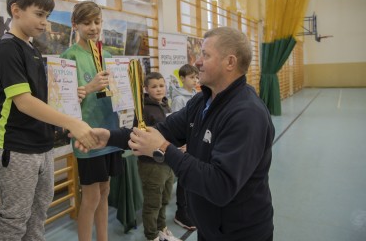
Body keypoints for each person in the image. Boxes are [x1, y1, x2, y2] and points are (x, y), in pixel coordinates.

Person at [85, 27, 275, 241]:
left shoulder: (246, 114)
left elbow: (220, 186)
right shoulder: (202, 101)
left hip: (241, 234)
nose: (197, 62)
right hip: (210, 229)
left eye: (206, 55)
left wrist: (164, 149)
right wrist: (110, 137)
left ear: (230, 62)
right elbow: (161, 131)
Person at [0, 0, 97, 241]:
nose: (44, 22)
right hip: (16, 147)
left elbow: (42, 98)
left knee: (38, 216)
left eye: (46, 16)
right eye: (39, 14)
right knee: (14, 221)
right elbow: (24, 102)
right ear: (16, 10)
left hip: (42, 145)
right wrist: (73, 122)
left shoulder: (32, 49)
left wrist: (73, 96)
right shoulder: (7, 48)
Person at [60, 1, 123, 241]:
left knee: (105, 191)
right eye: (87, 23)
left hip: (110, 132)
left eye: (97, 22)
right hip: (87, 136)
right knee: (91, 197)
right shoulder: (68, 57)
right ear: (75, 24)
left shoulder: (106, 55)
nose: (93, 27)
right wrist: (89, 87)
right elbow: (63, 104)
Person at [137, 72, 180, 241]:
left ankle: (162, 229)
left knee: (164, 199)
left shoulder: (165, 105)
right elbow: (142, 136)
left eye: (161, 85)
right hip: (152, 164)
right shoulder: (144, 110)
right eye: (154, 86)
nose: (158, 89)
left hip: (167, 162)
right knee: (153, 203)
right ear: (146, 89)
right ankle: (151, 235)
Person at [169, 64, 199, 231]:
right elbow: (176, 124)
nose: (195, 80)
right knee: (184, 177)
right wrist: (183, 144)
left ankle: (190, 208)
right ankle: (182, 211)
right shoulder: (179, 99)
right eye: (191, 77)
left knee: (194, 175)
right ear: (182, 78)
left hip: (195, 143)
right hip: (184, 145)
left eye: (196, 77)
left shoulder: (196, 95)